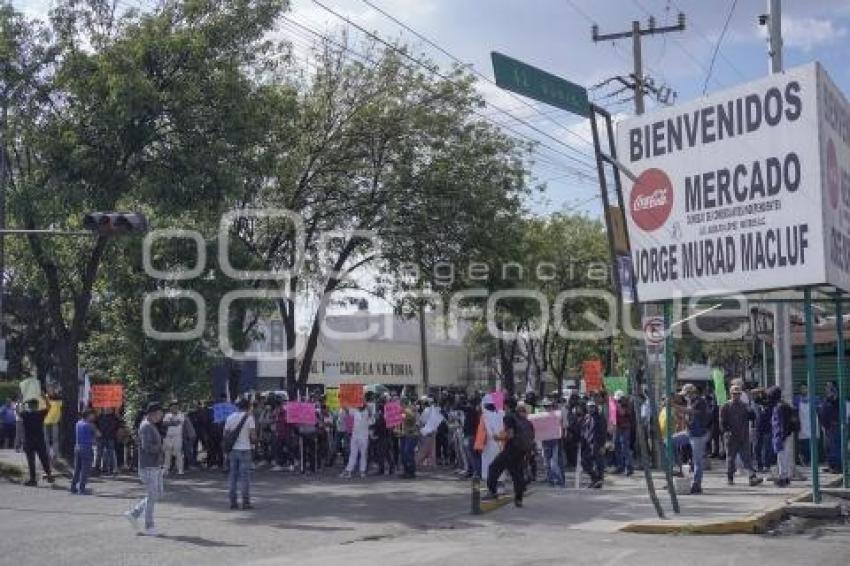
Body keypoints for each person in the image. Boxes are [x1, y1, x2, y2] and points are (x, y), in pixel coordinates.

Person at [125, 403, 165, 536]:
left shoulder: (149, 425)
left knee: (157, 494)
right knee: (153, 496)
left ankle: (134, 513)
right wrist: (160, 448)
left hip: (154, 465)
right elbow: (146, 446)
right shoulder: (146, 426)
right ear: (153, 413)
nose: (161, 417)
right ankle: (149, 526)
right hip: (148, 466)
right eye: (160, 414)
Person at [485, 402, 534, 507]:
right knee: (517, 474)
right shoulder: (527, 422)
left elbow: (510, 435)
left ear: (506, 407)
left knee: (493, 467)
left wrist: (499, 438)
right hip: (521, 451)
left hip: (511, 450)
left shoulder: (509, 417)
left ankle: (492, 492)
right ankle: (519, 500)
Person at [719, 385, 763, 487]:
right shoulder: (725, 406)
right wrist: (726, 431)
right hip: (731, 436)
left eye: (738, 394)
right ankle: (730, 477)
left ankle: (752, 477)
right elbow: (722, 422)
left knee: (747, 457)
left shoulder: (744, 406)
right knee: (731, 458)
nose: (736, 396)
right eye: (734, 394)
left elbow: (753, 417)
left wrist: (750, 409)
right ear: (730, 394)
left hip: (743, 436)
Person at [224, 399, 256, 509]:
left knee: (233, 475)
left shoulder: (230, 417)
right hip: (245, 449)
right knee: (244, 477)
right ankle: (245, 502)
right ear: (248, 406)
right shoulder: (249, 418)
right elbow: (253, 437)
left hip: (232, 450)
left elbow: (226, 435)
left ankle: (233, 502)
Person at [681, 384, 709, 494]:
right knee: (669, 442)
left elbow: (691, 412)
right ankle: (679, 471)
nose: (685, 397)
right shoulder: (690, 402)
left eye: (686, 394)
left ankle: (696, 484)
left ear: (691, 393)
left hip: (698, 435)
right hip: (690, 432)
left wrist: (674, 406)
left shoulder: (699, 401)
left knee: (697, 461)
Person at [21, 395, 54, 487]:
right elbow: (49, 407)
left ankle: (33, 480)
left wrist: (21, 400)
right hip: (39, 440)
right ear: (37, 406)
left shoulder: (25, 414)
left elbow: (17, 411)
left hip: (28, 441)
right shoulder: (40, 413)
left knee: (31, 461)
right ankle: (49, 475)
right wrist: (45, 398)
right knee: (44, 459)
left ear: (29, 406)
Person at [771, 386, 796, 487]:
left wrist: (781, 435)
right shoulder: (785, 405)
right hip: (787, 433)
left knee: (781, 456)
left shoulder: (779, 407)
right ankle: (785, 476)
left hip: (780, 434)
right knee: (784, 456)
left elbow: (780, 423)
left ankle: (783, 477)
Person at [476, 395, 504, 483]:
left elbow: (481, 432)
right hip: (500, 444)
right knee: (499, 465)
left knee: (488, 465)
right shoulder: (502, 414)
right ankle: (500, 484)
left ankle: (491, 485)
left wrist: (479, 446)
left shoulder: (484, 417)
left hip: (488, 445)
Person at [70, 408, 98, 493]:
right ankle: (82, 489)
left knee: (77, 469)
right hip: (86, 448)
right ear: (89, 415)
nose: (94, 416)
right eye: (93, 415)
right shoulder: (90, 425)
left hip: (77, 447)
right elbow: (98, 434)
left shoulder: (78, 423)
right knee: (85, 469)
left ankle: (73, 487)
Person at [580, 399, 607, 488]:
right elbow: (584, 430)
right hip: (588, 444)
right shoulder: (587, 417)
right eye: (589, 407)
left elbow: (603, 432)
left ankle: (598, 481)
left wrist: (603, 445)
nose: (591, 409)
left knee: (599, 463)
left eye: (592, 407)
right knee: (585, 462)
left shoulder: (600, 417)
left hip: (597, 444)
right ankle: (595, 479)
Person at [341, 403, 370, 479]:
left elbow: (346, 408)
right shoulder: (358, 411)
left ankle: (359, 471)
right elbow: (346, 408)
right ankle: (352, 471)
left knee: (361, 455)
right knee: (356, 454)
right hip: (357, 437)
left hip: (361, 437)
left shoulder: (363, 412)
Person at [819, 382, 842, 474]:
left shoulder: (835, 397)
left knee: (834, 447)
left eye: (829, 386)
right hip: (826, 426)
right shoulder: (826, 398)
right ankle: (831, 466)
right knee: (828, 447)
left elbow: (835, 399)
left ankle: (838, 467)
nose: (827, 388)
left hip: (833, 425)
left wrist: (833, 392)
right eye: (826, 386)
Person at [541, 400, 565, 487]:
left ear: (552, 406)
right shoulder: (541, 417)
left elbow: (561, 428)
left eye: (549, 406)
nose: (547, 408)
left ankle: (559, 481)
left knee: (554, 464)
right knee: (546, 464)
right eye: (545, 406)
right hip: (545, 443)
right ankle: (550, 481)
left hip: (554, 443)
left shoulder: (557, 416)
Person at [417, 398, 443, 468]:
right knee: (432, 448)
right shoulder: (436, 410)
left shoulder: (426, 410)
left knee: (424, 448)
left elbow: (422, 421)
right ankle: (432, 463)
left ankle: (418, 462)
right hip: (433, 431)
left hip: (427, 431)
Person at [613, 391, 634, 476]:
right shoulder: (617, 404)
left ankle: (629, 467)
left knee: (625, 447)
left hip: (625, 428)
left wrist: (617, 405)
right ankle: (620, 466)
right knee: (617, 446)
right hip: (617, 427)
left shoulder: (627, 404)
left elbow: (623, 413)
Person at [161, 402, 185, 476]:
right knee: (167, 453)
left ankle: (180, 469)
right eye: (173, 407)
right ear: (170, 408)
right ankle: (166, 469)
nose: (174, 409)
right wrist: (172, 422)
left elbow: (177, 423)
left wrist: (170, 422)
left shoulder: (181, 415)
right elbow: (164, 423)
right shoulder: (167, 415)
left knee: (178, 453)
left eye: (176, 407)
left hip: (177, 436)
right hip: (168, 436)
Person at [96, 407, 119, 476]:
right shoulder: (100, 416)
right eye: (106, 408)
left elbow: (116, 427)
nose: (107, 409)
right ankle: (97, 468)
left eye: (109, 408)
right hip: (102, 437)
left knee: (110, 454)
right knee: (99, 453)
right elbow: (96, 425)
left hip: (110, 437)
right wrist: (97, 432)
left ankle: (109, 469)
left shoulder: (114, 417)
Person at [399, 399, 419, 478]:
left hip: (411, 434)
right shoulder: (403, 411)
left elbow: (411, 418)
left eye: (401, 404)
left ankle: (411, 471)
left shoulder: (411, 409)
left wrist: (403, 414)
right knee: (403, 453)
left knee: (408, 452)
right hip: (404, 434)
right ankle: (406, 470)